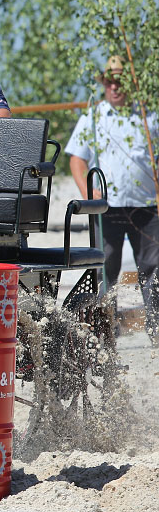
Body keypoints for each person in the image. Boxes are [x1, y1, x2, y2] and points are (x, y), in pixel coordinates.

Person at [66, 55, 159, 345]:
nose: (115, 87)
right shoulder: (94, 116)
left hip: (146, 204)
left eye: (120, 82)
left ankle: (157, 331)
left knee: (154, 268)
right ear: (104, 84)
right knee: (104, 268)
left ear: (131, 85)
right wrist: (87, 192)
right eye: (110, 82)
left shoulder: (149, 115)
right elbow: (77, 159)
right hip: (108, 205)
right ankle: (104, 337)